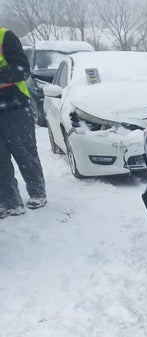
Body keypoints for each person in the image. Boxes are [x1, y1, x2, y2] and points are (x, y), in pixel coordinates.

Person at [0, 27, 46, 218]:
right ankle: (10, 202)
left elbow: (21, 69)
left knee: (25, 153)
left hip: (16, 106)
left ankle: (37, 192)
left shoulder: (5, 37)